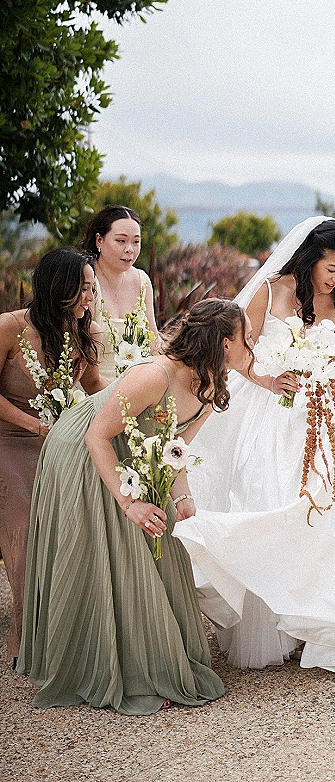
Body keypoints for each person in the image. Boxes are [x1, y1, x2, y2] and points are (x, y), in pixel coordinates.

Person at [17, 299, 253, 714]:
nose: (252, 345)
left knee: (160, 543)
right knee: (108, 550)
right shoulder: (154, 375)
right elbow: (96, 436)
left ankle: (150, 654)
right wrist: (130, 504)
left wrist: (184, 499)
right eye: (246, 338)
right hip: (85, 452)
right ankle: (112, 662)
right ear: (222, 341)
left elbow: (173, 450)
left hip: (137, 460)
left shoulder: (210, 386)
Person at [174, 217, 335, 675]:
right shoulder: (271, 288)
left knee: (329, 517)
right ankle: (272, 625)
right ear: (310, 257)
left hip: (321, 415)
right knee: (269, 504)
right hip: (269, 412)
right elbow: (240, 354)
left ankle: (318, 627)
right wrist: (266, 379)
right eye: (332, 267)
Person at [0, 248, 106, 663]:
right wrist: (33, 426)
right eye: (83, 288)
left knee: (82, 520)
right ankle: (23, 633)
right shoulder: (9, 327)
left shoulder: (86, 332)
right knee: (27, 527)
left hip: (60, 441)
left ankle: (71, 630)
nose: (90, 298)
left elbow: (96, 386)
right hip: (9, 439)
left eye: (93, 288)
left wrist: (134, 415)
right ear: (57, 288)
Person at [80, 205, 159, 382]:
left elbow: (153, 339)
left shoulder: (142, 281)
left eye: (136, 241)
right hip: (92, 389)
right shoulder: (85, 281)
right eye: (121, 241)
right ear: (99, 240)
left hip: (137, 388)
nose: (130, 249)